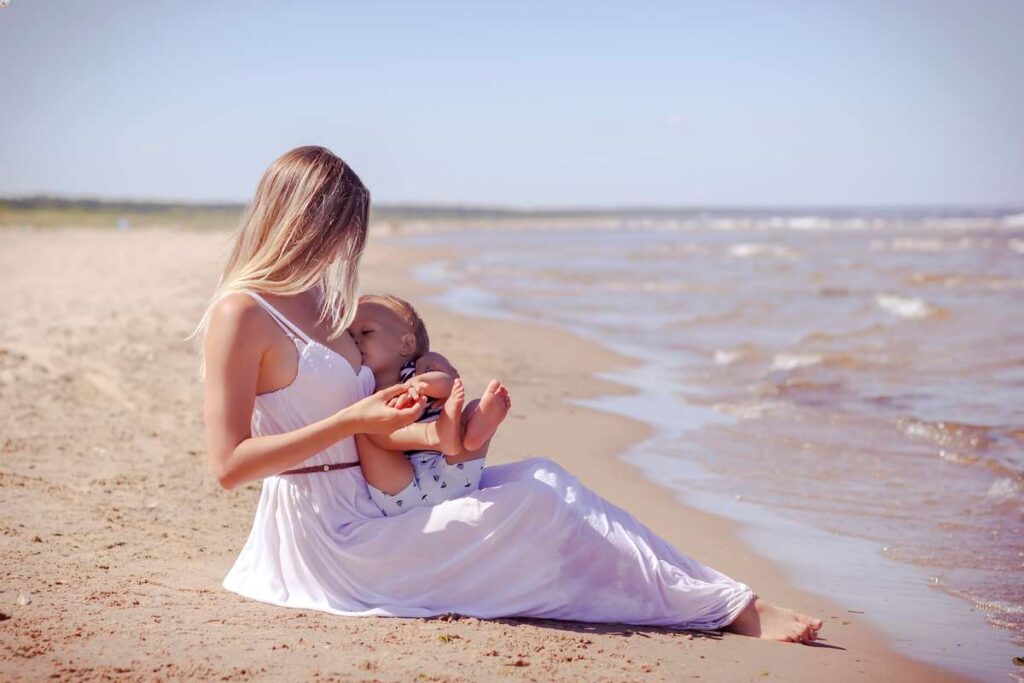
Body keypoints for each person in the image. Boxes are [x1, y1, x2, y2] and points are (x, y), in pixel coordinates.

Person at [193, 145, 822, 643]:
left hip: (379, 499)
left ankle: (729, 599)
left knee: (548, 477)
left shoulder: (325, 305)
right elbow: (227, 467)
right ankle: (714, 609)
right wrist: (351, 419)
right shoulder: (241, 315)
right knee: (537, 512)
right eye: (340, 228)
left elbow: (393, 376)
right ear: (303, 219)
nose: (346, 246)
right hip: (330, 539)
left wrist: (429, 388)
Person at [348, 293, 512, 516]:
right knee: (366, 427)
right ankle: (437, 434)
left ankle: (474, 436)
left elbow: (449, 386)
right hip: (399, 486)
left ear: (406, 344)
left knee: (474, 407)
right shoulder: (363, 385)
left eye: (366, 332)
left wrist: (422, 384)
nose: (355, 341)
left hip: (450, 466)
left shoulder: (416, 372)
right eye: (350, 336)